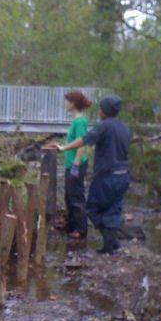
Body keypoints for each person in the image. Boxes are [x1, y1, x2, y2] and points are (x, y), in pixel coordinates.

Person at [46, 95, 131, 254]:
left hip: (107, 176)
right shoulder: (124, 128)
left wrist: (64, 148)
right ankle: (111, 243)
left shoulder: (104, 126)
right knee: (113, 208)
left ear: (105, 111)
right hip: (124, 175)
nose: (99, 111)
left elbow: (83, 141)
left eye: (100, 109)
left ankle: (109, 239)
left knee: (92, 207)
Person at [62, 90, 92, 240]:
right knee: (69, 196)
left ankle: (81, 230)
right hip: (71, 164)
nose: (64, 103)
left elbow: (82, 144)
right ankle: (73, 226)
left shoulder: (80, 121)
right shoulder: (76, 121)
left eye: (67, 101)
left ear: (73, 103)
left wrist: (75, 164)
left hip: (76, 165)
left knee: (76, 197)